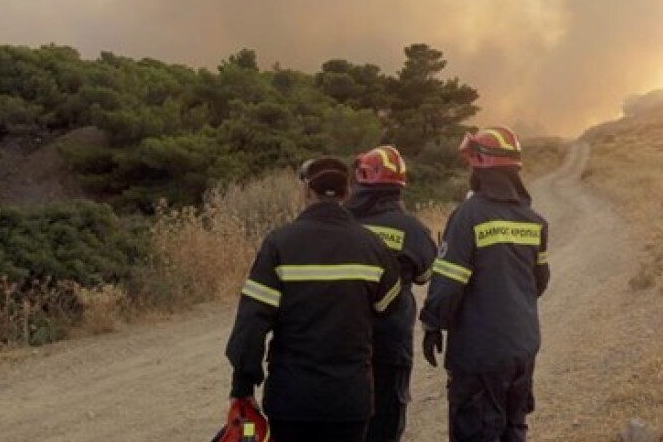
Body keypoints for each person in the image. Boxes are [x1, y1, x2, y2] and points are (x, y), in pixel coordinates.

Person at [225, 156, 402, 442]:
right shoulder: (373, 246)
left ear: (307, 191)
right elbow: (390, 307)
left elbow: (251, 324)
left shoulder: (279, 244)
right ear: (347, 192)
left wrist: (242, 387)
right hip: (350, 401)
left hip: (292, 400)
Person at [419, 126, 550, 442]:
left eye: (471, 164)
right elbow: (540, 281)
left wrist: (432, 323)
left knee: (475, 431)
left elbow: (448, 284)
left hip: (479, 354)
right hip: (522, 348)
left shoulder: (468, 215)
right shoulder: (534, 220)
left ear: (479, 166)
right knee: (513, 428)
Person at [347, 145, 438, 442]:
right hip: (390, 344)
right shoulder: (411, 229)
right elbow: (426, 275)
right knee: (385, 425)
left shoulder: (340, 223)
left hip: (338, 346)